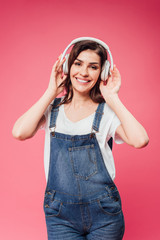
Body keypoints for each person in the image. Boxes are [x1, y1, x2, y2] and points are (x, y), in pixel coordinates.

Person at [12, 37, 149, 240]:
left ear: (102, 72)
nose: (84, 72)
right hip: (60, 216)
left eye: (93, 67)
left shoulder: (107, 113)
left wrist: (113, 97)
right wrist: (51, 91)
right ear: (67, 66)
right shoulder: (52, 110)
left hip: (104, 215)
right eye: (78, 64)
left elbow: (140, 140)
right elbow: (19, 132)